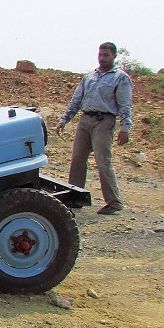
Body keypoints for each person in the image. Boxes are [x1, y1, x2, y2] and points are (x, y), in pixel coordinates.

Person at [55, 42, 132, 215]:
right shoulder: (90, 77)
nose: (102, 58)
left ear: (114, 56)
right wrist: (63, 120)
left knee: (103, 161)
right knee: (77, 159)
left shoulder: (120, 78)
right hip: (85, 120)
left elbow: (125, 105)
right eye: (100, 55)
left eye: (106, 55)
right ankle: (75, 196)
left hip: (104, 121)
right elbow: (76, 100)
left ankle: (114, 202)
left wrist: (125, 128)